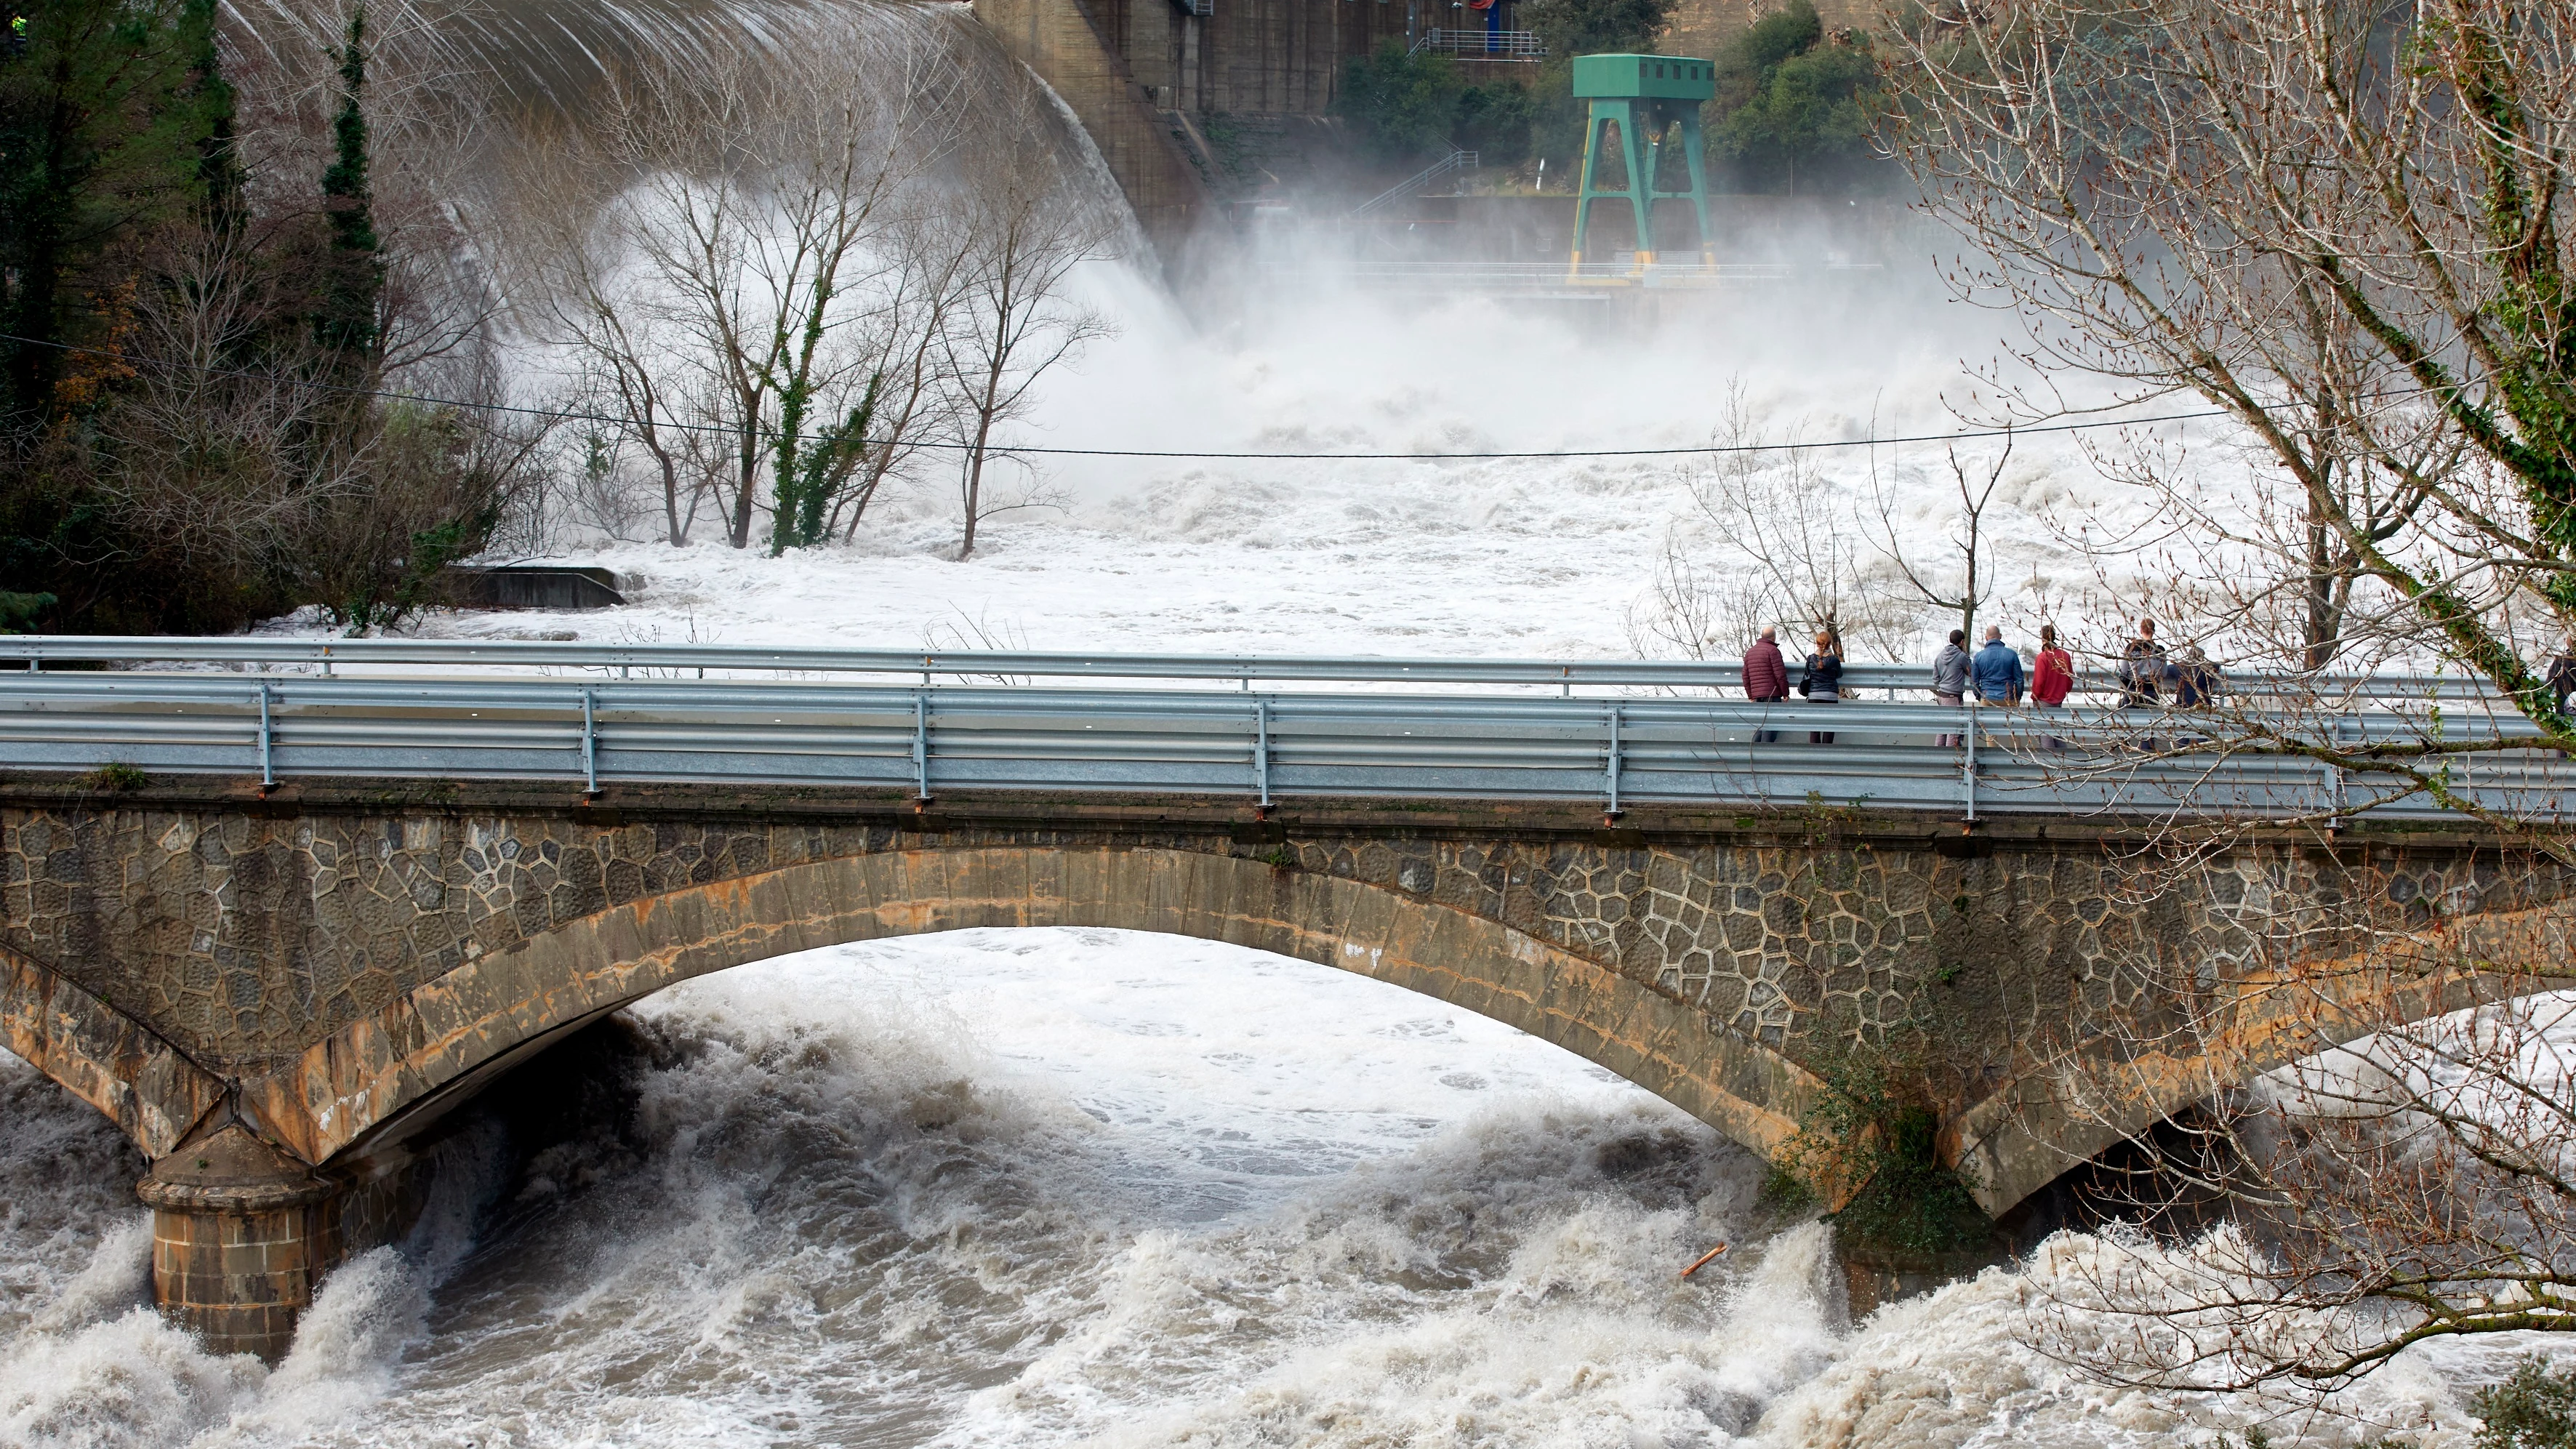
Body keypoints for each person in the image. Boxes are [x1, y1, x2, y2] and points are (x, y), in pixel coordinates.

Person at [2031, 624, 2074, 751]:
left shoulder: (2042, 657)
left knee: (2046, 735)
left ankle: (2049, 763)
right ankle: (2065, 760)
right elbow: (2069, 680)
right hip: (2059, 700)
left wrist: (2035, 696)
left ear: (2042, 639)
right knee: (2058, 734)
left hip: (2044, 701)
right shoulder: (2065, 656)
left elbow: (2039, 682)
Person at [1744, 625, 1789, 744]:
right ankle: (1764, 755)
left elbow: (1745, 676)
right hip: (1772, 694)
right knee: (1770, 726)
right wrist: (1785, 693)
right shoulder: (1773, 651)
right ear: (1773, 637)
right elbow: (1780, 675)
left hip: (1757, 696)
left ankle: (1752, 751)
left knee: (1760, 725)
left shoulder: (1750, 652)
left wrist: (1751, 695)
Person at [1799, 630, 1843, 744]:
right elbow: (1839, 674)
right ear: (1830, 644)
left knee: (1814, 727)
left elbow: (1807, 674)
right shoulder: (1834, 660)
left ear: (1817, 644)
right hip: (1831, 696)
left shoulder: (1811, 658)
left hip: (1814, 694)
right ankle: (1827, 755)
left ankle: (1814, 755)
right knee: (1829, 727)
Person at [1932, 627, 1970, 747]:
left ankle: (1939, 758)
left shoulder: (1940, 656)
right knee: (1954, 729)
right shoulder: (1961, 657)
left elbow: (1935, 679)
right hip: (1954, 697)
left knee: (1942, 728)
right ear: (1962, 642)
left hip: (1942, 696)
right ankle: (1951, 758)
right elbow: (1971, 672)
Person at [1971, 625, 2024, 705]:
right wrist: (2017, 697)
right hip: (2008, 698)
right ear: (2000, 636)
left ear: (1986, 638)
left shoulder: (1979, 656)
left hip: (1987, 698)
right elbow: (2019, 680)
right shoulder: (2012, 654)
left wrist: (1980, 696)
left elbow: (1974, 682)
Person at [2119, 617, 2166, 708]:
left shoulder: (2131, 647)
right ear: (2154, 631)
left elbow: (2123, 671)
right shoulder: (2160, 650)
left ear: (2141, 631)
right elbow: (2164, 674)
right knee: (2150, 720)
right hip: (2151, 691)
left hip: (2133, 691)